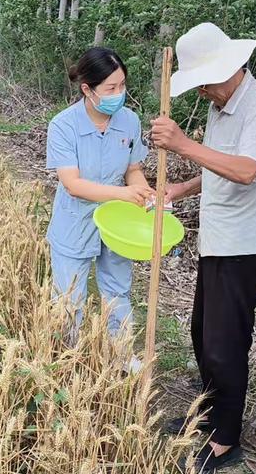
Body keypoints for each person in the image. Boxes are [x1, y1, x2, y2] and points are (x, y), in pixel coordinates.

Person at [151, 23, 256, 471]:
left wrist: (183, 144)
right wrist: (180, 190)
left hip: (245, 245)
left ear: (229, 68)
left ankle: (228, 439)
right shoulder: (222, 103)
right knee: (202, 334)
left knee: (225, 344)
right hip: (217, 238)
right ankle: (210, 414)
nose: (204, 92)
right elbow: (218, 168)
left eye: (206, 82)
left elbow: (246, 170)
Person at [46, 47, 154, 340]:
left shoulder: (129, 121)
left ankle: (119, 353)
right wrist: (123, 194)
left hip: (118, 222)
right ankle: (66, 358)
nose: (119, 93)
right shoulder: (63, 126)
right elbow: (73, 184)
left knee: (118, 290)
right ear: (87, 89)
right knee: (69, 298)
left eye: (122, 85)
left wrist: (141, 189)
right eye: (111, 88)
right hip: (76, 221)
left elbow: (133, 169)